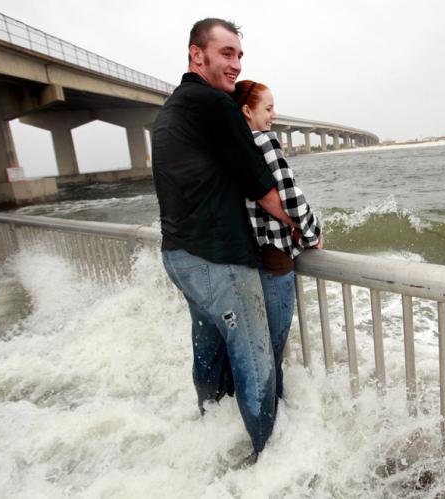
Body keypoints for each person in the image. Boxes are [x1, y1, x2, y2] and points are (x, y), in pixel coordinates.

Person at [151, 18, 296, 460]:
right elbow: (264, 188)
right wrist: (301, 227)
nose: (235, 64)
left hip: (180, 256)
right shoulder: (216, 106)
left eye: (239, 55)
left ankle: (209, 428)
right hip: (221, 261)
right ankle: (266, 464)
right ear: (197, 54)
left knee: (209, 348)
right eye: (226, 53)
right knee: (256, 364)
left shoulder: (171, 110)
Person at [231, 80, 323, 400]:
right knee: (273, 345)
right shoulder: (265, 142)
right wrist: (312, 233)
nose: (273, 114)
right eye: (268, 108)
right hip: (275, 255)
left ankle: (252, 406)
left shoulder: (235, 147)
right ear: (247, 110)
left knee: (254, 340)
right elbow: (290, 197)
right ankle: (273, 411)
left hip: (247, 254)